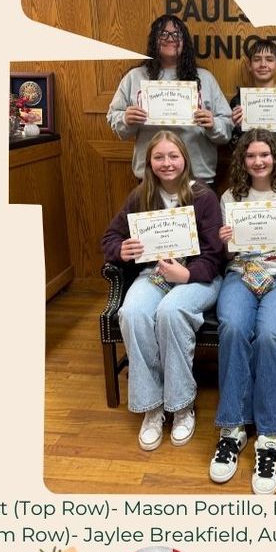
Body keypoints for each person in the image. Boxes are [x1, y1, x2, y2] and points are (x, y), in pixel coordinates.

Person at [100, 131, 225, 450]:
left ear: (185, 159)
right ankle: (152, 406)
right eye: (159, 157)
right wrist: (121, 250)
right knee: (133, 312)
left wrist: (187, 273)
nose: (167, 163)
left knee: (171, 311)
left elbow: (215, 256)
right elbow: (110, 238)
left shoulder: (204, 197)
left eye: (173, 156)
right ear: (149, 162)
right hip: (154, 274)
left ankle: (182, 405)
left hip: (199, 278)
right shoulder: (140, 196)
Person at [210, 129, 276, 494]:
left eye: (264, 155)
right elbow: (224, 256)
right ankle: (233, 427)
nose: (258, 161)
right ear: (242, 160)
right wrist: (222, 243)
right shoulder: (229, 197)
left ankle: (269, 435)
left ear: (275, 157)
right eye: (251, 155)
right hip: (241, 273)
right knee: (235, 327)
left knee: (271, 334)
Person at [108, 14, 233, 183]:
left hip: (196, 177)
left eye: (176, 34)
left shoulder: (205, 78)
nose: (170, 38)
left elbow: (227, 128)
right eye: (163, 34)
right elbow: (114, 120)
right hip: (151, 178)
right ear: (154, 39)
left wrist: (213, 125)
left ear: (185, 41)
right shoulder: (134, 77)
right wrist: (125, 119)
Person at [229, 37, 276, 178]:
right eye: (257, 59)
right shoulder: (239, 100)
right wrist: (236, 128)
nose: (263, 64)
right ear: (249, 65)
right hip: (248, 176)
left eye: (269, 59)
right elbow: (232, 148)